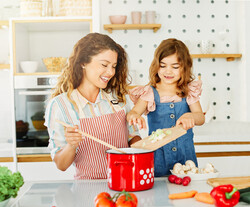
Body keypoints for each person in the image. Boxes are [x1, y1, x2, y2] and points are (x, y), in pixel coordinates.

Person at [45, 33, 141, 180]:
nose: (110, 72)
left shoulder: (119, 98)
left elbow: (133, 137)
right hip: (87, 191)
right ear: (83, 62)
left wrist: (145, 145)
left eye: (114, 66)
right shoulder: (60, 106)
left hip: (125, 183)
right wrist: (71, 145)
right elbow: (61, 164)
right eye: (104, 65)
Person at [127, 38, 205, 177]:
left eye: (175, 67)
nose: (168, 71)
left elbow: (200, 117)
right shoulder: (149, 92)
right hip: (158, 156)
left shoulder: (188, 91)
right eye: (163, 66)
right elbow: (134, 112)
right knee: (158, 193)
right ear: (156, 66)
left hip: (185, 155)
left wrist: (191, 116)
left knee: (186, 190)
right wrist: (134, 116)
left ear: (184, 68)